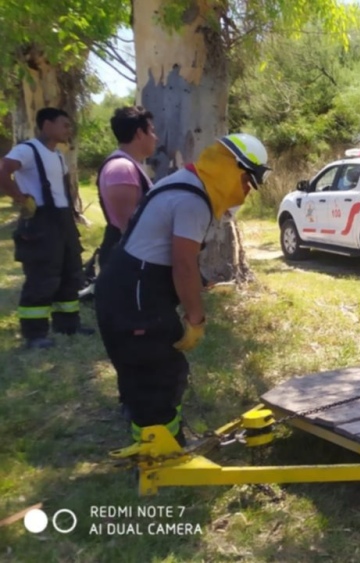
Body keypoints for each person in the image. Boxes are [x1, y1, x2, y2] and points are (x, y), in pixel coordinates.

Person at [95, 133, 270, 446]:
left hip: (126, 285)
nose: (245, 192)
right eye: (247, 182)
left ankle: (148, 433)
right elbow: (182, 264)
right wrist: (196, 318)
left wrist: (199, 284)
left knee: (141, 372)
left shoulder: (184, 182)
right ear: (235, 170)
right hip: (134, 294)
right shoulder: (193, 200)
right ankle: (159, 452)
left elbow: (165, 250)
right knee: (160, 372)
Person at [0, 107, 92, 349]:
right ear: (47, 125)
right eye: (64, 124)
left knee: (70, 273)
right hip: (40, 222)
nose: (68, 129)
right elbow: (3, 170)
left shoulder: (58, 155)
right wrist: (20, 197)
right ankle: (34, 334)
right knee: (42, 277)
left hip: (62, 221)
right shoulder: (27, 150)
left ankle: (68, 324)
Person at [96, 106, 157, 271]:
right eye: (151, 131)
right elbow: (128, 227)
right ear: (139, 133)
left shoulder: (126, 165)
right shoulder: (122, 168)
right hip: (127, 259)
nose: (155, 137)